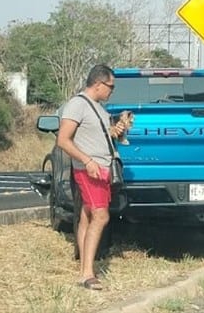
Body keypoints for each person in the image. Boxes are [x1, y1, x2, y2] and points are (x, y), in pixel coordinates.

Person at [56, 63, 125, 291]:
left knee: (87, 216)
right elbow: (63, 140)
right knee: (101, 216)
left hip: (101, 168)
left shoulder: (97, 107)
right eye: (110, 86)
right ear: (98, 84)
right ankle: (87, 273)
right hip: (89, 170)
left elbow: (100, 136)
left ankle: (84, 268)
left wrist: (118, 130)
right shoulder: (77, 105)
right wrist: (87, 161)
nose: (112, 91)